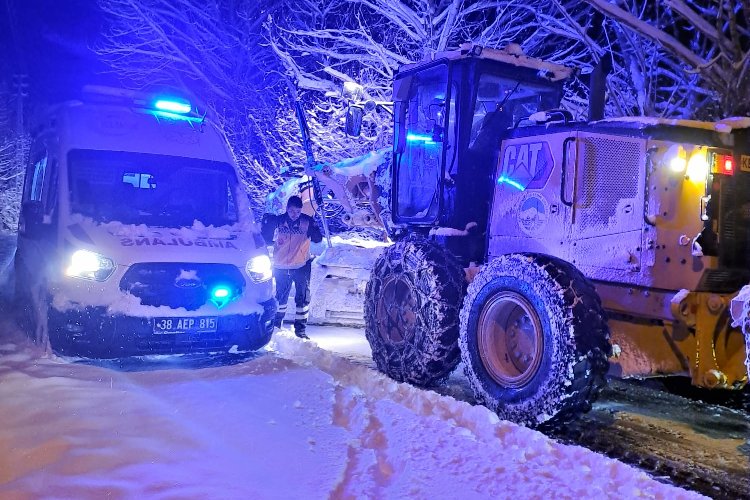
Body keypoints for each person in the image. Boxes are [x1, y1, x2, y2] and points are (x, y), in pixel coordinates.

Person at [261, 196, 323, 339]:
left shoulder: (307, 222)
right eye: (291, 211)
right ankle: (276, 327)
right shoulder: (278, 221)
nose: (294, 214)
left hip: (301, 266)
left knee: (302, 299)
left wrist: (314, 227)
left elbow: (318, 239)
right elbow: (266, 238)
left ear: (301, 210)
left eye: (297, 211)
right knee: (280, 297)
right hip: (280, 266)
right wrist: (266, 224)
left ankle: (300, 331)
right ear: (287, 209)